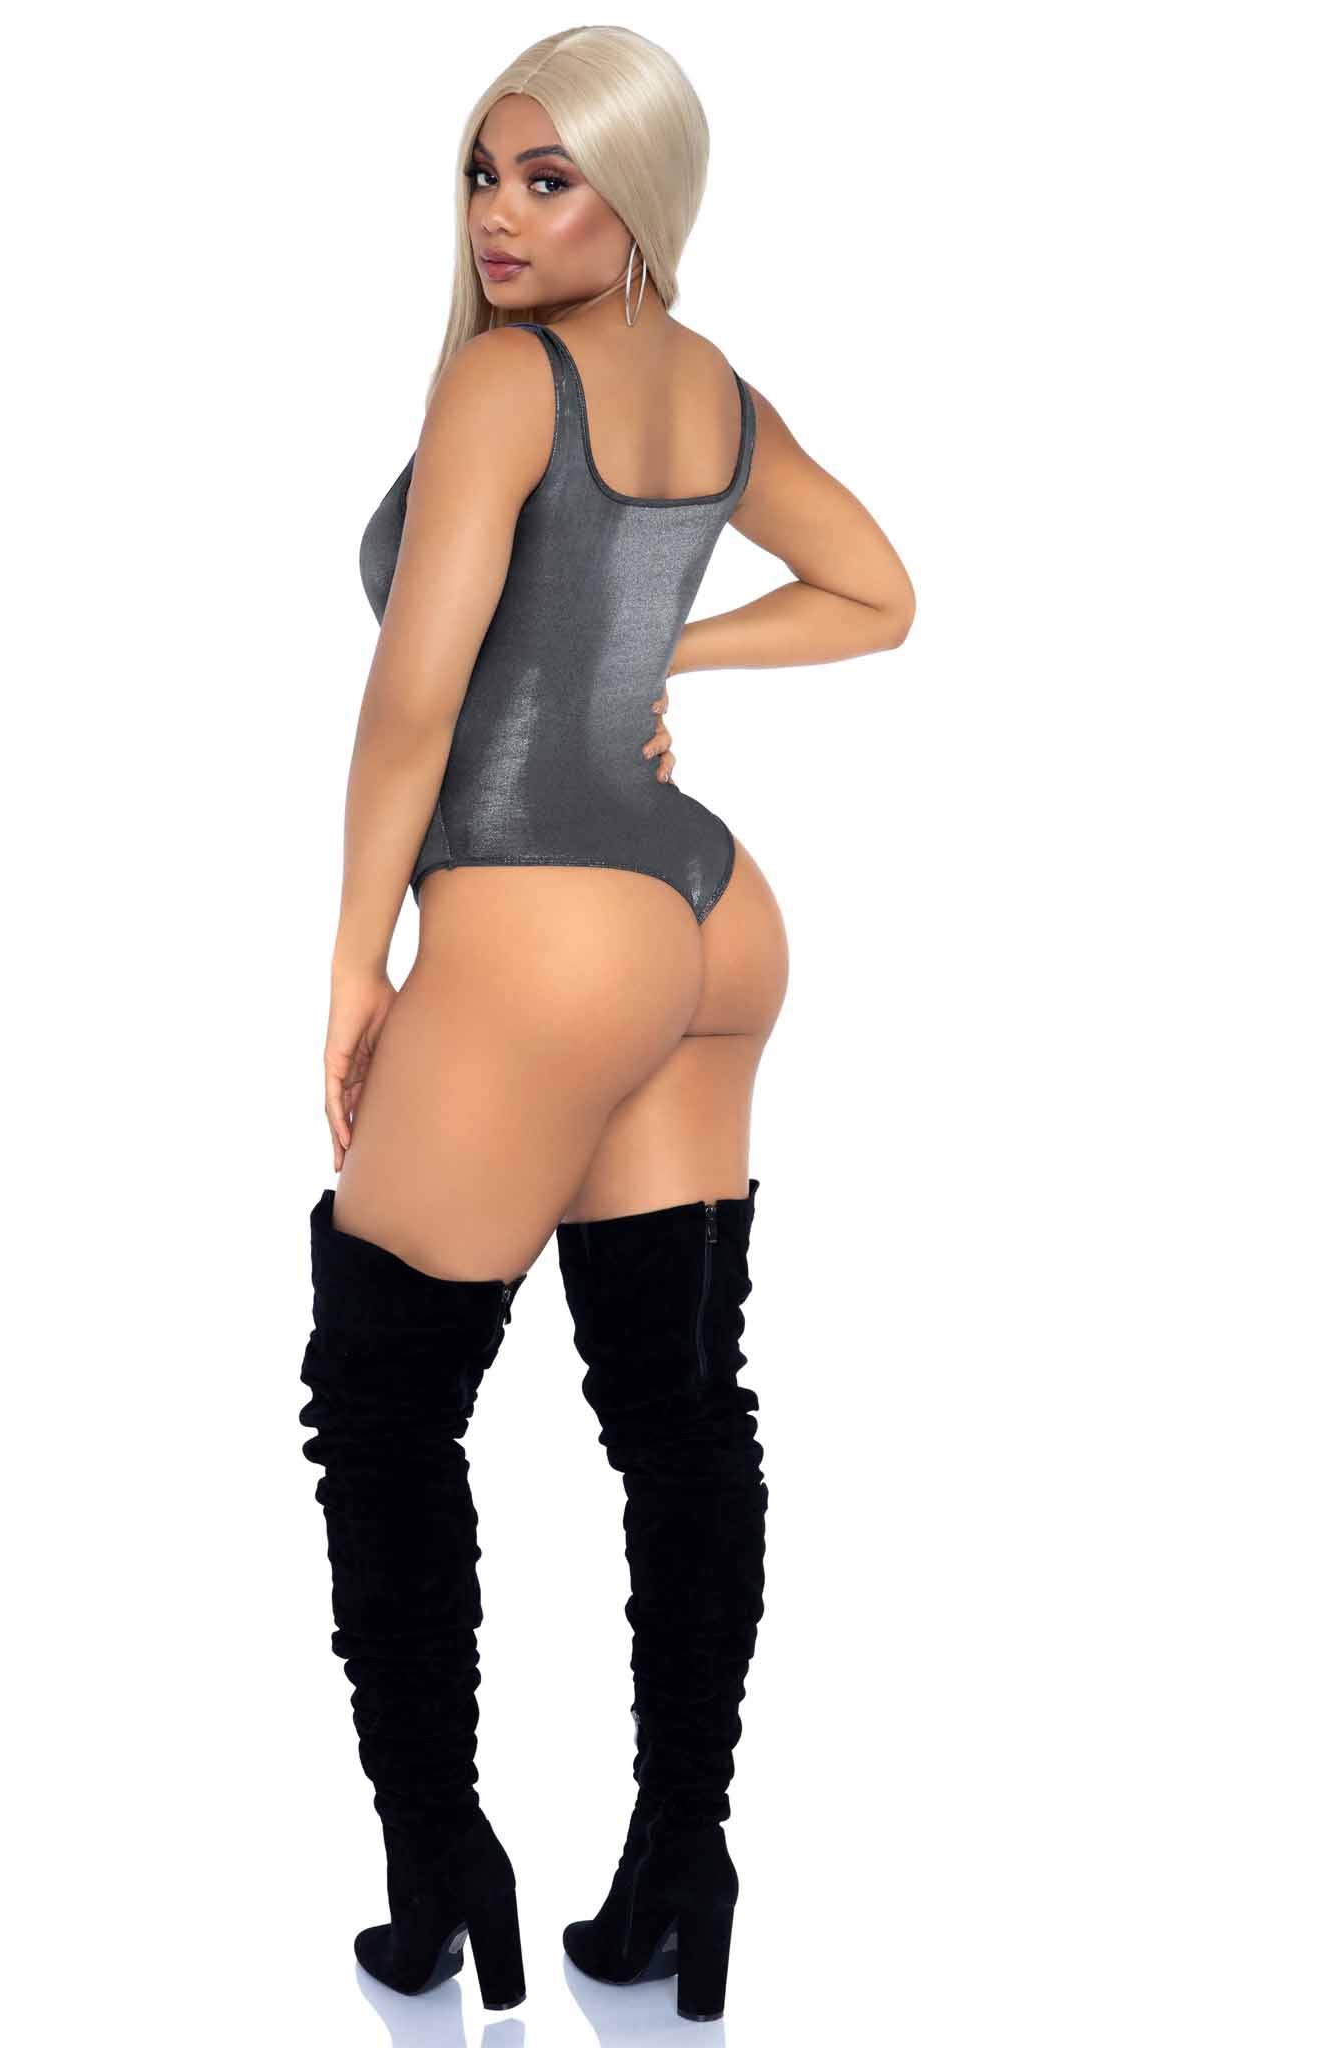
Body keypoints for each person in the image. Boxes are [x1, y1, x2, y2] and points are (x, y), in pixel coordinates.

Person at [297, 25, 915, 2022]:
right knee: (680, 1414)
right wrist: (672, 656)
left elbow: (416, 697)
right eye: (484, 174)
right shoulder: (711, 386)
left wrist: (357, 958)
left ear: (639, 192)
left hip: (542, 926)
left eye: (548, 178)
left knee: (384, 1403)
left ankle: (439, 1874)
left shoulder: (507, 384)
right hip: (712, 920)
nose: (500, 215)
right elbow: (877, 590)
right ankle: (678, 1874)